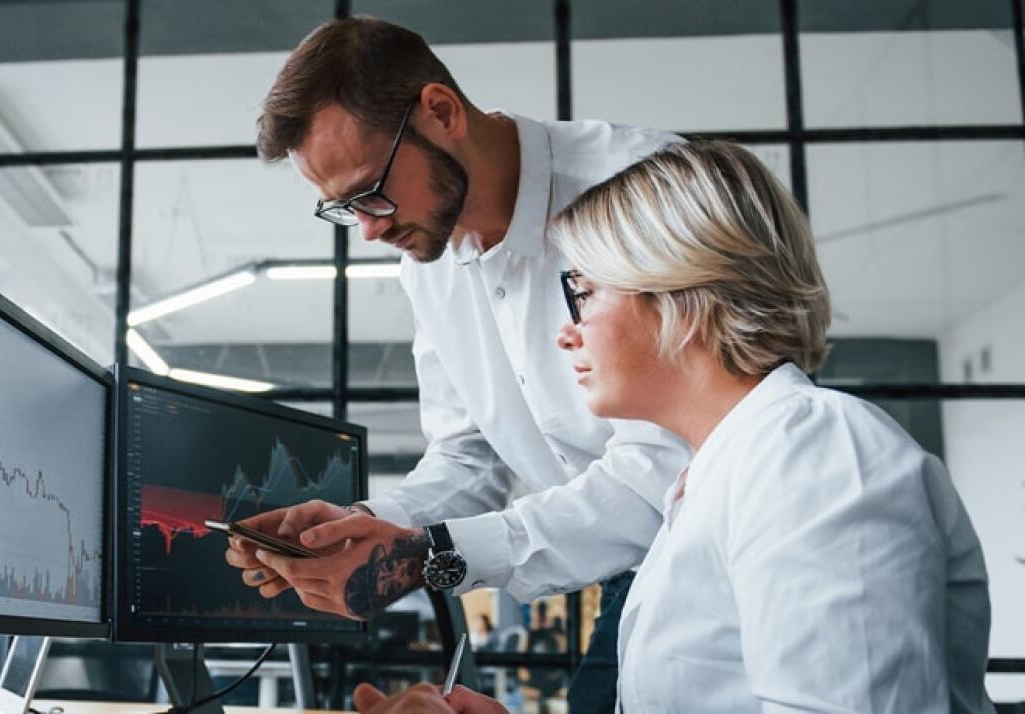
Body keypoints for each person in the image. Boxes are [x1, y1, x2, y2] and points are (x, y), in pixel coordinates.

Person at [352, 140, 994, 713]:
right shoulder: (715, 475)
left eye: (585, 292)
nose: (566, 331)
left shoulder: (815, 458)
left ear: (678, 292)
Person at [223, 15, 690, 713]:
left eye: (370, 191)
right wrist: (366, 525)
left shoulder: (638, 189)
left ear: (440, 112)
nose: (371, 229)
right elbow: (470, 456)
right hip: (627, 580)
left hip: (721, 563)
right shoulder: (431, 260)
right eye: (344, 209)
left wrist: (421, 555)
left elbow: (667, 469)